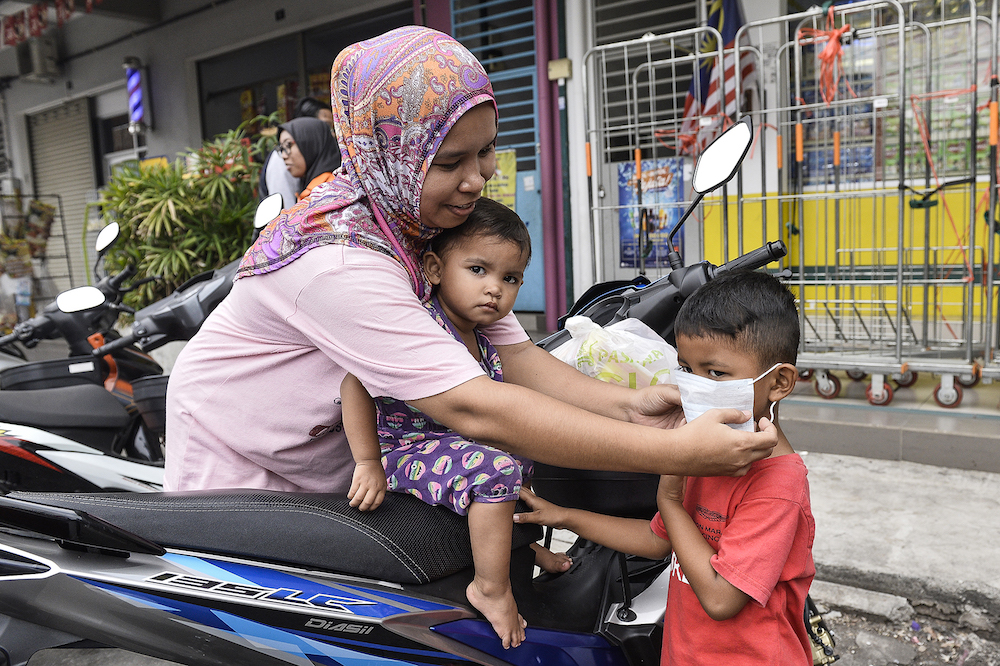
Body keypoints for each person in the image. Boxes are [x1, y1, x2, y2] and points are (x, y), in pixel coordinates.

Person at [165, 27, 776, 511]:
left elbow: (518, 358)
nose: (477, 179)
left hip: (339, 462)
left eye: (486, 151)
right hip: (247, 460)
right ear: (390, 154)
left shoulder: (420, 221)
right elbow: (478, 407)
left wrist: (626, 406)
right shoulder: (339, 259)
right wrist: (671, 449)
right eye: (450, 160)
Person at [515, 270, 816, 665]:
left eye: (716, 373)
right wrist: (564, 516)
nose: (695, 385)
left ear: (778, 383)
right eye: (687, 369)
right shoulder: (711, 454)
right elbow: (660, 539)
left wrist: (670, 500)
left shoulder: (777, 486)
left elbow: (722, 597)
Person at [341, 197, 569, 649]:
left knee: (523, 447)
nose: (494, 290)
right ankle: (490, 587)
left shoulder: (482, 338)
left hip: (451, 448)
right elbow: (354, 383)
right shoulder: (423, 327)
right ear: (434, 268)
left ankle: (518, 549)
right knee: (496, 471)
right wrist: (368, 461)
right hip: (405, 452)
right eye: (478, 270)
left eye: (510, 279)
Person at [259, 97, 336, 205]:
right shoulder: (315, 187)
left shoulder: (329, 190)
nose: (331, 134)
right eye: (327, 126)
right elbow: (286, 210)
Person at [275, 116, 342, 201]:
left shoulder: (330, 190)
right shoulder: (309, 188)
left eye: (288, 145)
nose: (284, 155)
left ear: (312, 144)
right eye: (282, 149)